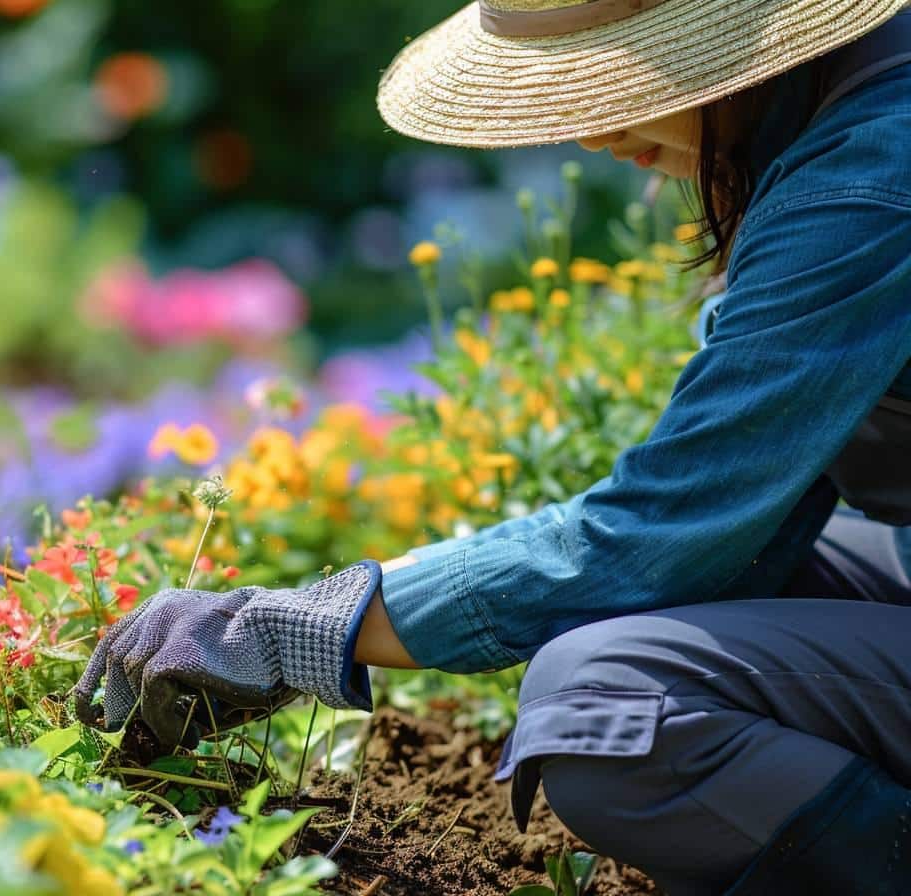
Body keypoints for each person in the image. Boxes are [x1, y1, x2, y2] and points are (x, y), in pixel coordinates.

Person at [73, 1, 911, 893]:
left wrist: (299, 628)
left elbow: (661, 535)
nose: (592, 131)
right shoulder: (862, 103)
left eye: (620, 75)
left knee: (595, 704)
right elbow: (725, 532)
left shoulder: (865, 177)